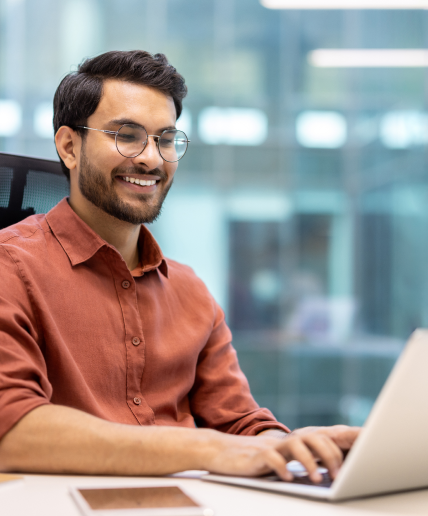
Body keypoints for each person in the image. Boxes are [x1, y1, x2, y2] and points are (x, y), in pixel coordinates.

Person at [0, 50, 358, 482]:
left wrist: (297, 449)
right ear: (69, 146)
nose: (152, 159)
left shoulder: (190, 291)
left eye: (166, 139)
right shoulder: (11, 268)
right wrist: (209, 448)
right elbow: (11, 430)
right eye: (127, 135)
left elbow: (239, 425)